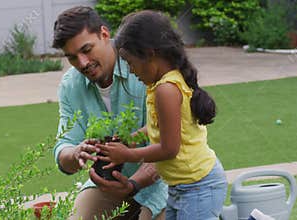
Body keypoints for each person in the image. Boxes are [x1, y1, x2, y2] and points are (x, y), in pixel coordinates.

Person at [95, 10, 228, 220]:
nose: (130, 70)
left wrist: (127, 155)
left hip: (199, 187)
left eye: (130, 62)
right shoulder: (161, 84)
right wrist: (131, 140)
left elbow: (170, 148)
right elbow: (160, 127)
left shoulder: (166, 89)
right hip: (182, 187)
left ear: (149, 54)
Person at [52, 6, 168, 220]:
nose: (82, 63)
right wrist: (75, 152)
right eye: (72, 58)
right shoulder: (70, 84)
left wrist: (134, 184)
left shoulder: (142, 64)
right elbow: (63, 147)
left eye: (86, 50)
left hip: (164, 181)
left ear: (104, 34)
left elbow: (170, 141)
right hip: (108, 184)